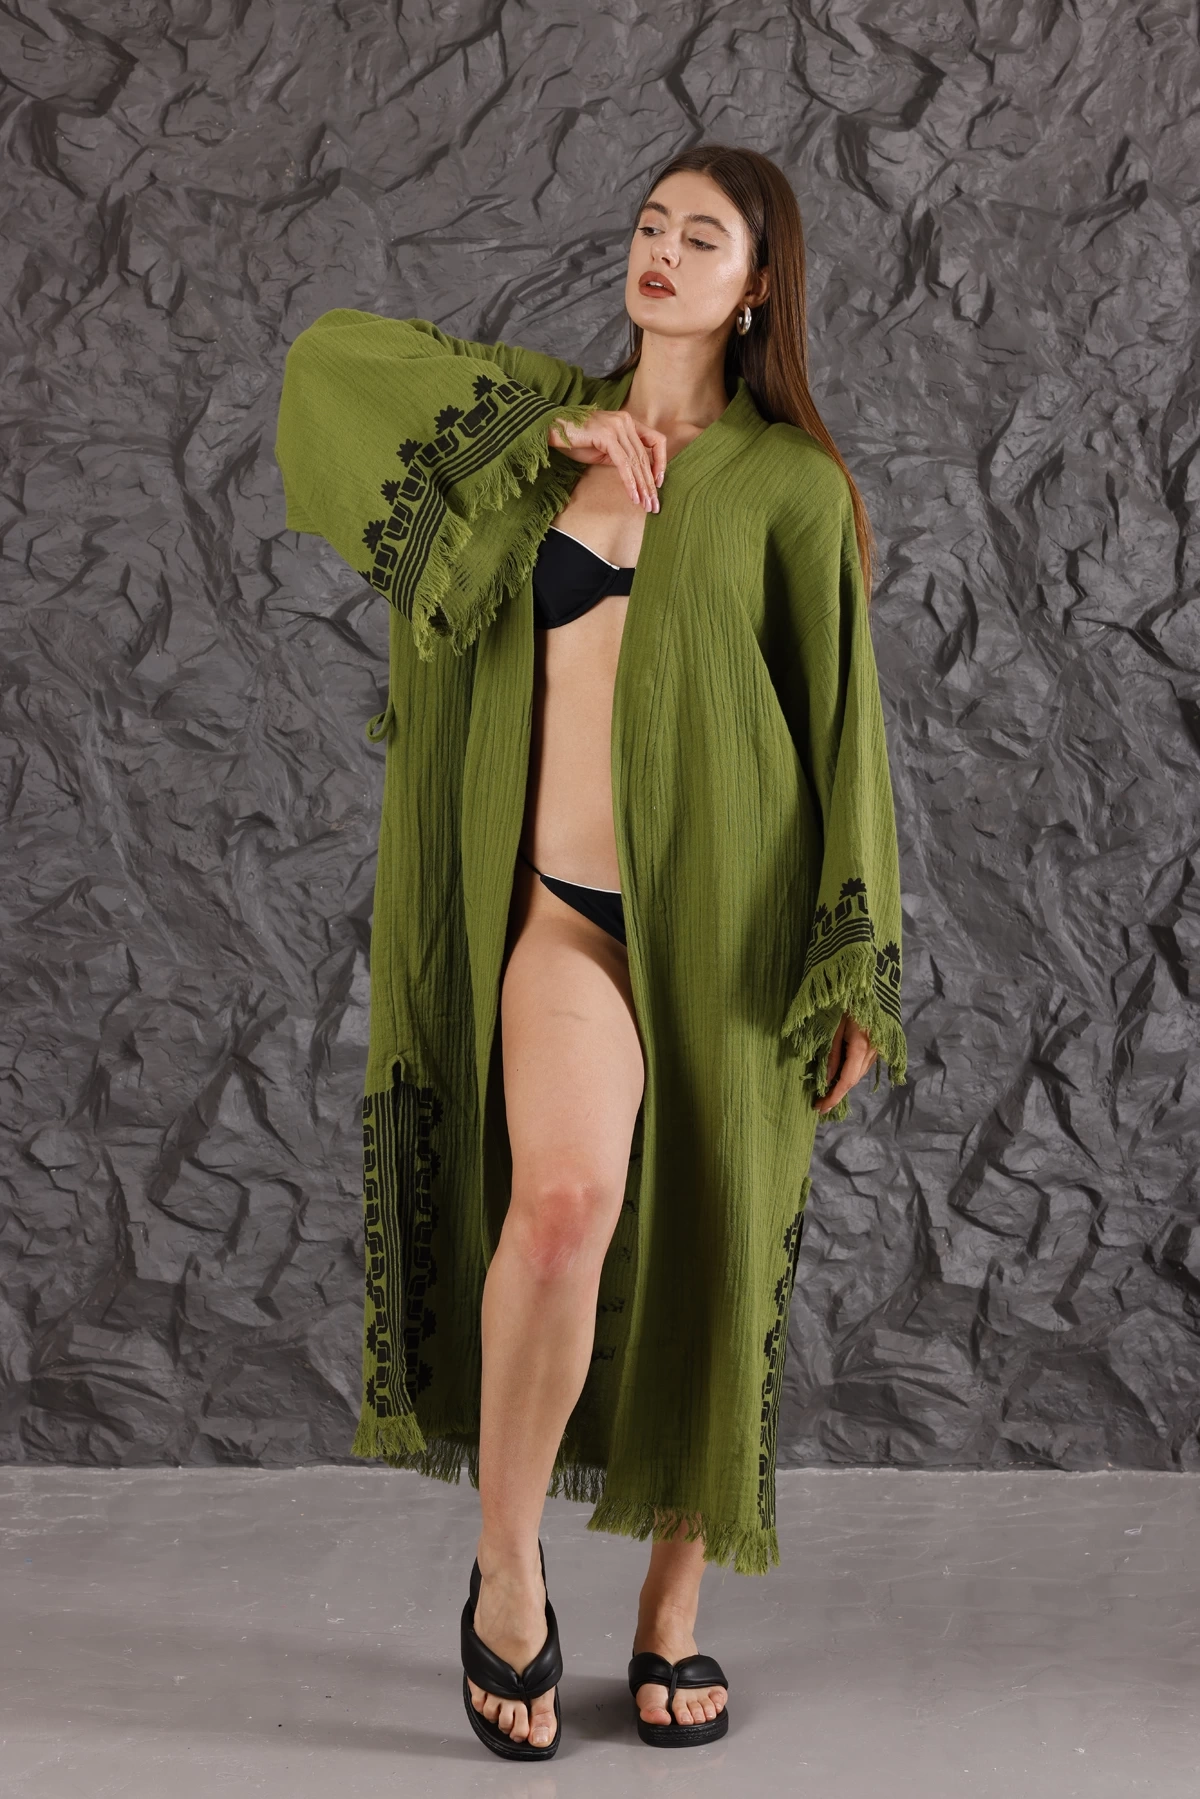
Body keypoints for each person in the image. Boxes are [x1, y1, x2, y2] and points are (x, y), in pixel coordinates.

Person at [274, 142, 908, 1762]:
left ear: (756, 288)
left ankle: (671, 1612)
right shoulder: (545, 428)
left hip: (735, 938)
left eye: (705, 237)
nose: (664, 251)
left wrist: (854, 957)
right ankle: (507, 1573)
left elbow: (847, 730)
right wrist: (543, 439)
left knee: (715, 1241)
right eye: (649, 224)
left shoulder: (787, 486)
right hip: (562, 914)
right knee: (560, 1211)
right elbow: (327, 367)